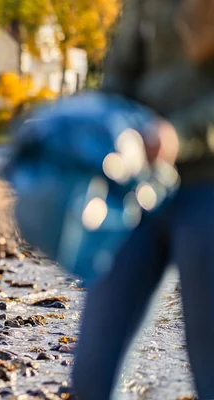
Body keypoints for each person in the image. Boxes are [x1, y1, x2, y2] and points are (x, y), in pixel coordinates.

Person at [72, 1, 214, 398]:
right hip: (139, 189)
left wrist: (176, 137)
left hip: (207, 192)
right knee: (91, 372)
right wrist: (100, 126)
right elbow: (119, 77)